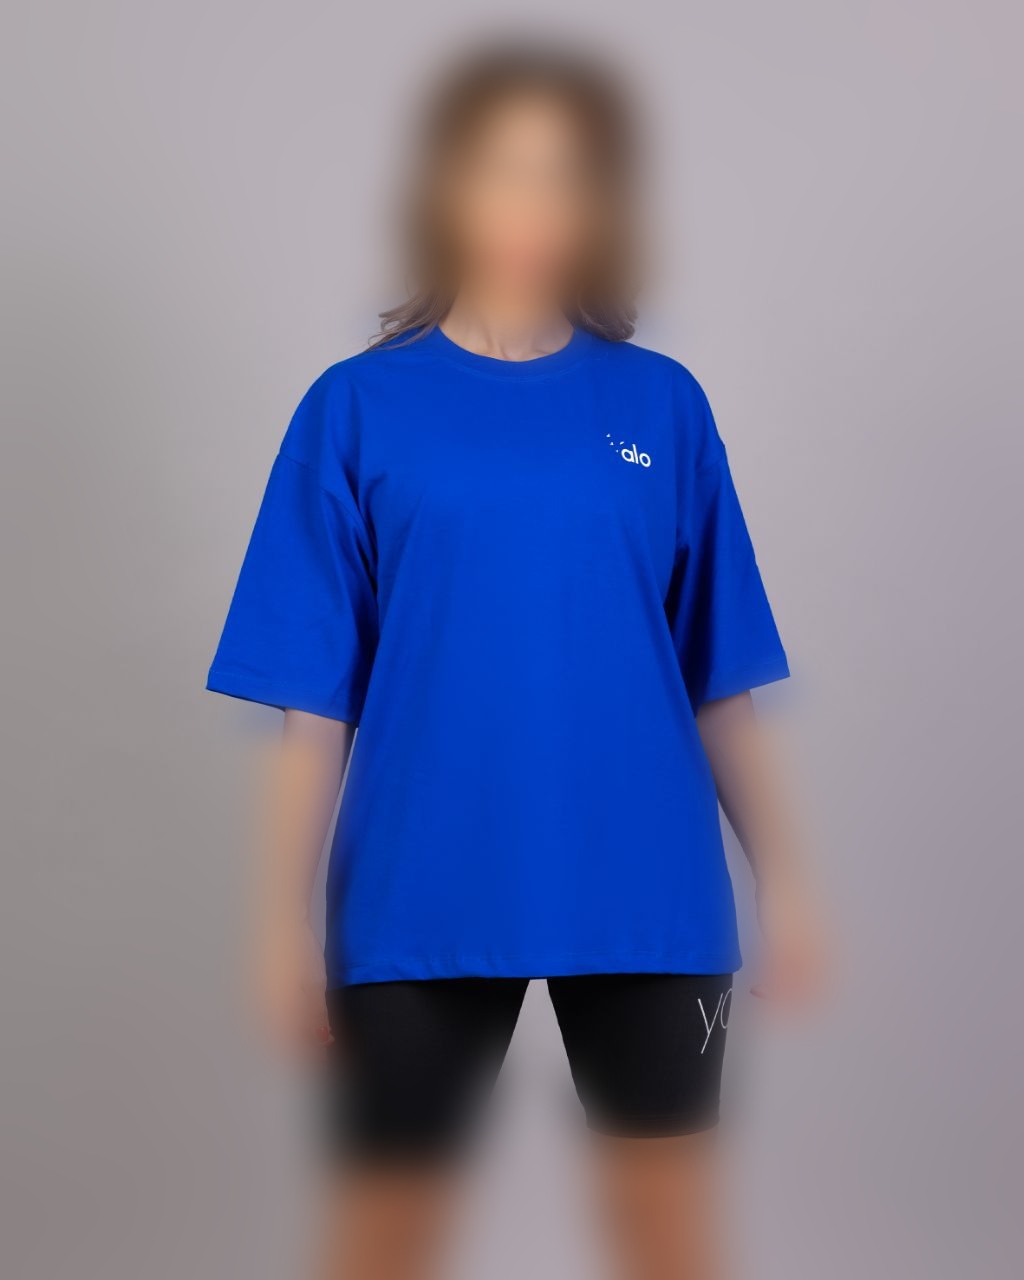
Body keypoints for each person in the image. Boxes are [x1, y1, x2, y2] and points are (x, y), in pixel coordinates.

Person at [208, 42, 827, 1280]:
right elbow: (310, 704)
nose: (532, 205)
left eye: (564, 176)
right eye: (503, 169)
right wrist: (277, 921)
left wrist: (791, 878)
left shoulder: (661, 404)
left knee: (668, 1241)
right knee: (381, 1243)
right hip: (416, 890)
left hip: (647, 886)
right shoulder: (354, 408)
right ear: (446, 188)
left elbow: (719, 673)